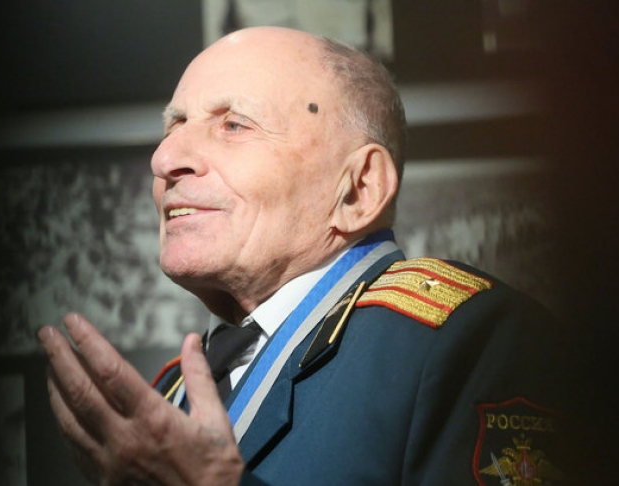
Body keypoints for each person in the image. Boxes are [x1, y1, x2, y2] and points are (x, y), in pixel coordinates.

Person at [38, 26, 577, 485]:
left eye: (233, 125)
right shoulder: (169, 394)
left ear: (359, 189)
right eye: (173, 127)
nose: (164, 158)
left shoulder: (471, 341)